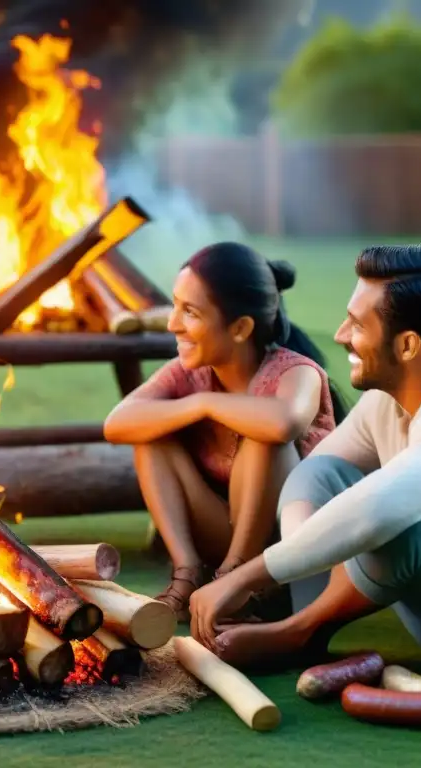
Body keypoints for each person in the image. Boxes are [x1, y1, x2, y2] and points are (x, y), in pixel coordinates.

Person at [187, 244, 421, 678]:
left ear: (408, 344)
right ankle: (310, 615)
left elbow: (376, 514)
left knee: (399, 521)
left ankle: (299, 630)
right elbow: (315, 479)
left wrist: (248, 576)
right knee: (319, 472)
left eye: (356, 324)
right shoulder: (388, 398)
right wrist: (302, 557)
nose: (339, 334)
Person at [103, 242, 347, 622]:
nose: (172, 324)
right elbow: (117, 423)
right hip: (222, 532)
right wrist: (197, 403)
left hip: (288, 554)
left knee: (266, 438)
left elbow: (283, 422)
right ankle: (189, 574)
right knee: (149, 436)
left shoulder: (296, 373)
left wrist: (208, 405)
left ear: (240, 328)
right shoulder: (189, 373)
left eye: (190, 312)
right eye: (175, 305)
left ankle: (241, 581)